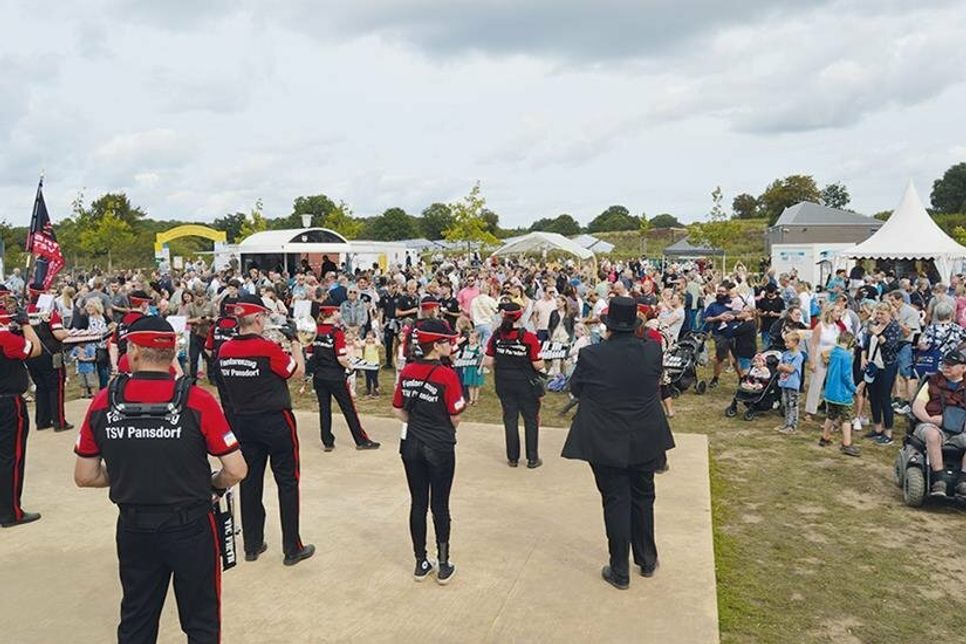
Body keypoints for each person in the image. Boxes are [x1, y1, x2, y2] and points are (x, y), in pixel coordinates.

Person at [73, 316, 248, 642]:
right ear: (173, 352)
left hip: (134, 525)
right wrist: (213, 484)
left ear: (135, 351)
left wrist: (129, 474)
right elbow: (237, 469)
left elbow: (85, 476)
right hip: (191, 525)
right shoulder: (198, 401)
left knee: (137, 617)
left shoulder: (102, 403)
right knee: (201, 620)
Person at [561, 296, 675, 590]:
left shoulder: (592, 355)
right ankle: (647, 559)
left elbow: (577, 389)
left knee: (615, 500)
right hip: (645, 434)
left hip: (605, 435)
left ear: (608, 325)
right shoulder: (652, 351)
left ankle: (620, 569)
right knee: (643, 496)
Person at [215, 294, 315, 565]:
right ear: (258, 318)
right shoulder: (266, 348)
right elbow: (297, 371)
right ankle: (292, 547)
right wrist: (295, 342)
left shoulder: (224, 350)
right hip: (275, 421)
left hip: (242, 421)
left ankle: (252, 543)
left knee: (250, 481)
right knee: (287, 481)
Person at [392, 319, 465, 584]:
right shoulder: (447, 375)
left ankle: (420, 561)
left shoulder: (408, 370)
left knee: (418, 502)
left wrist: (417, 423)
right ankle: (443, 564)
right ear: (436, 345)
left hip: (411, 444)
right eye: (447, 341)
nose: (451, 344)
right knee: (440, 505)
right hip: (439, 445)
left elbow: (398, 408)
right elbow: (455, 415)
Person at [305, 301, 380, 451]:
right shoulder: (336, 332)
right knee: (348, 409)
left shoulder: (315, 331)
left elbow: (309, 354)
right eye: (337, 311)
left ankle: (327, 441)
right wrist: (351, 367)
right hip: (335, 376)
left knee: (324, 409)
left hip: (320, 376)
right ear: (332, 313)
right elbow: (341, 358)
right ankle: (361, 440)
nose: (339, 314)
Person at [484, 301, 546, 469]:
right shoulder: (528, 337)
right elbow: (538, 365)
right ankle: (532, 458)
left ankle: (513, 458)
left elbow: (488, 362)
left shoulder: (496, 336)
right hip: (526, 384)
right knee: (531, 419)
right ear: (520, 316)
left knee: (510, 419)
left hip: (504, 382)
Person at [0, 301, 43, 528]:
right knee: (12, 458)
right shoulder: (5, 338)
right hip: (8, 402)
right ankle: (10, 512)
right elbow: (35, 348)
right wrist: (25, 324)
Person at [910, 349, 966, 497]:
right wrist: (929, 419)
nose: (946, 367)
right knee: (932, 435)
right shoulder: (933, 381)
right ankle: (939, 480)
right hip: (931, 424)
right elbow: (917, 406)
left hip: (960, 429)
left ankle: (963, 481)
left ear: (963, 368)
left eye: (951, 365)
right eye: (945, 364)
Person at [25, 286, 72, 431]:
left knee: (41, 387)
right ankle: (59, 421)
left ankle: (42, 420)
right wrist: (67, 333)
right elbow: (58, 334)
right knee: (55, 387)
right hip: (50, 355)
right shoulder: (50, 313)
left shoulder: (25, 311)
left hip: (32, 354)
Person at [863, 302, 902, 445]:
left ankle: (888, 432)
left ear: (889, 314)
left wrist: (878, 333)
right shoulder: (873, 325)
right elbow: (866, 343)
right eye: (877, 313)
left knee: (885, 398)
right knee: (873, 397)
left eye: (882, 314)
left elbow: (890, 346)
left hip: (887, 366)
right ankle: (877, 427)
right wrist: (864, 357)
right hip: (873, 365)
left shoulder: (894, 327)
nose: (879, 316)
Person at [819, 332, 860, 456]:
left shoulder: (833, 352)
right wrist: (854, 388)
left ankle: (825, 438)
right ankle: (846, 444)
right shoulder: (846, 355)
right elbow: (846, 375)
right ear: (850, 343)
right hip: (842, 393)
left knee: (830, 415)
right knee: (846, 418)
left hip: (830, 391)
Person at [776, 332, 805, 435]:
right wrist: (784, 367)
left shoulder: (798, 356)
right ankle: (786, 423)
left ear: (795, 342)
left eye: (788, 342)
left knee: (793, 405)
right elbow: (778, 366)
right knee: (786, 404)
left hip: (793, 384)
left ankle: (792, 426)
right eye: (785, 342)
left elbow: (791, 369)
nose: (786, 344)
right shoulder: (785, 354)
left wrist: (783, 367)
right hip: (784, 383)